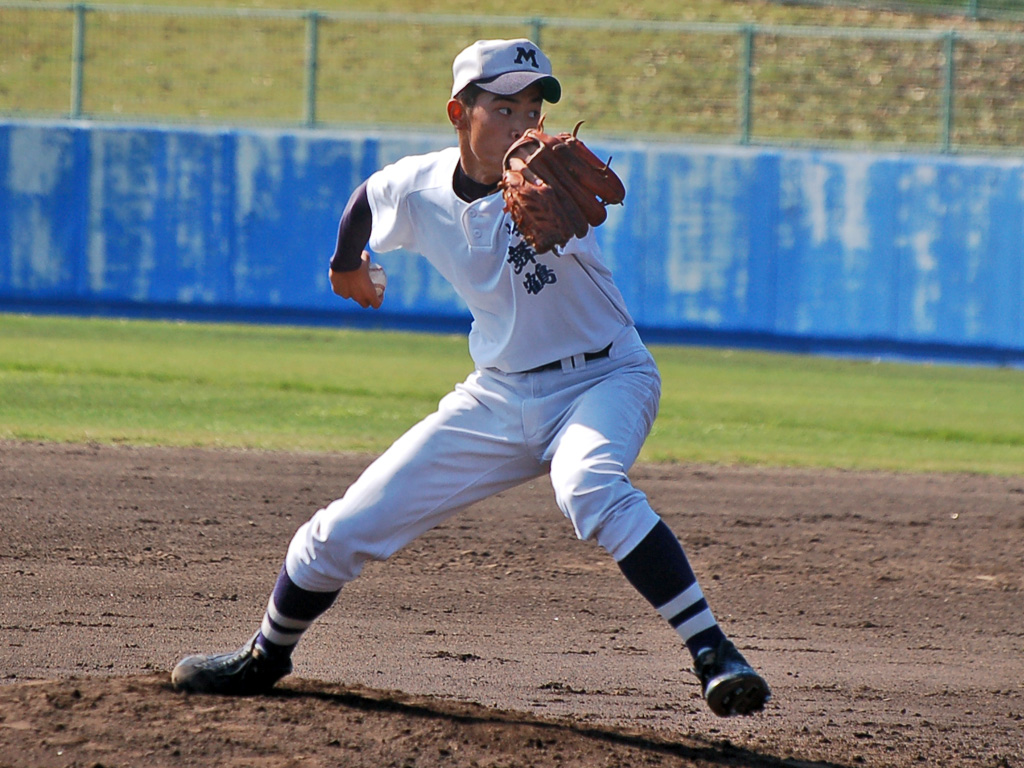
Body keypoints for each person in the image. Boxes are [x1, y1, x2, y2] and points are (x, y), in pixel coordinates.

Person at [171, 38, 771, 718]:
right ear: (460, 111)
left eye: (534, 107)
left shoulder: (556, 181)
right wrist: (346, 265)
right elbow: (367, 198)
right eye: (505, 106)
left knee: (588, 484)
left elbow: (534, 200)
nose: (524, 123)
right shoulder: (420, 187)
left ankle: (714, 653)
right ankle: (265, 655)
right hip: (499, 394)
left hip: (605, 378)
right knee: (339, 530)